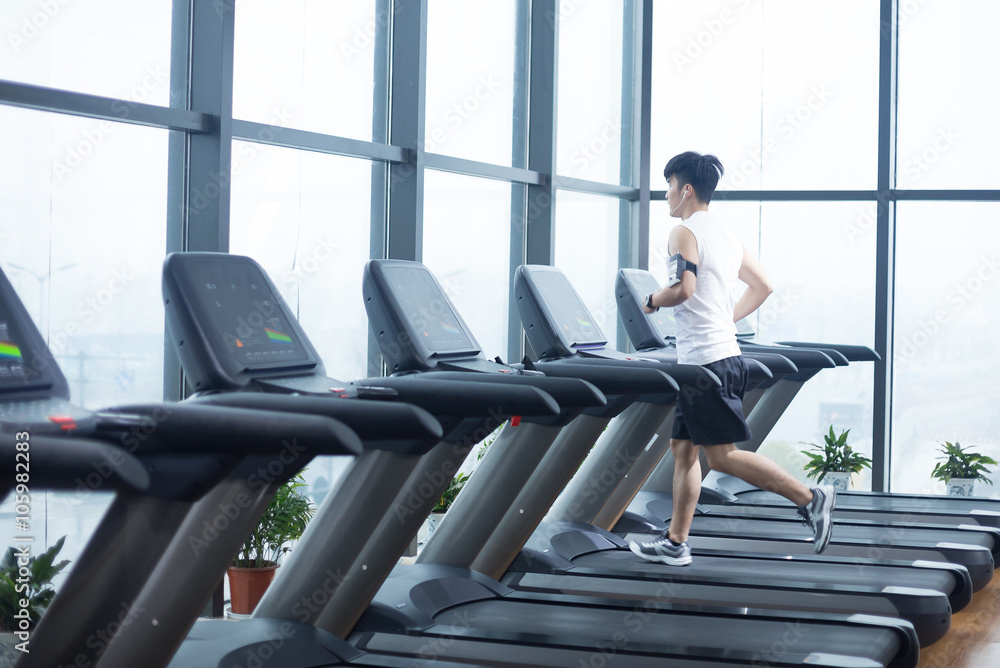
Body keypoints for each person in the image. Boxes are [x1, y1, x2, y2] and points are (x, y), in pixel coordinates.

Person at [629, 151, 834, 566]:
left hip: (705, 363)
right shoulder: (725, 234)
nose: (666, 195)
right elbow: (763, 286)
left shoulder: (684, 232)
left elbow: (682, 289)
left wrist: (650, 301)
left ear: (686, 189)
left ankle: (809, 498)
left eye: (669, 186)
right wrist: (727, 317)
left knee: (722, 456)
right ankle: (675, 542)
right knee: (683, 449)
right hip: (719, 357)